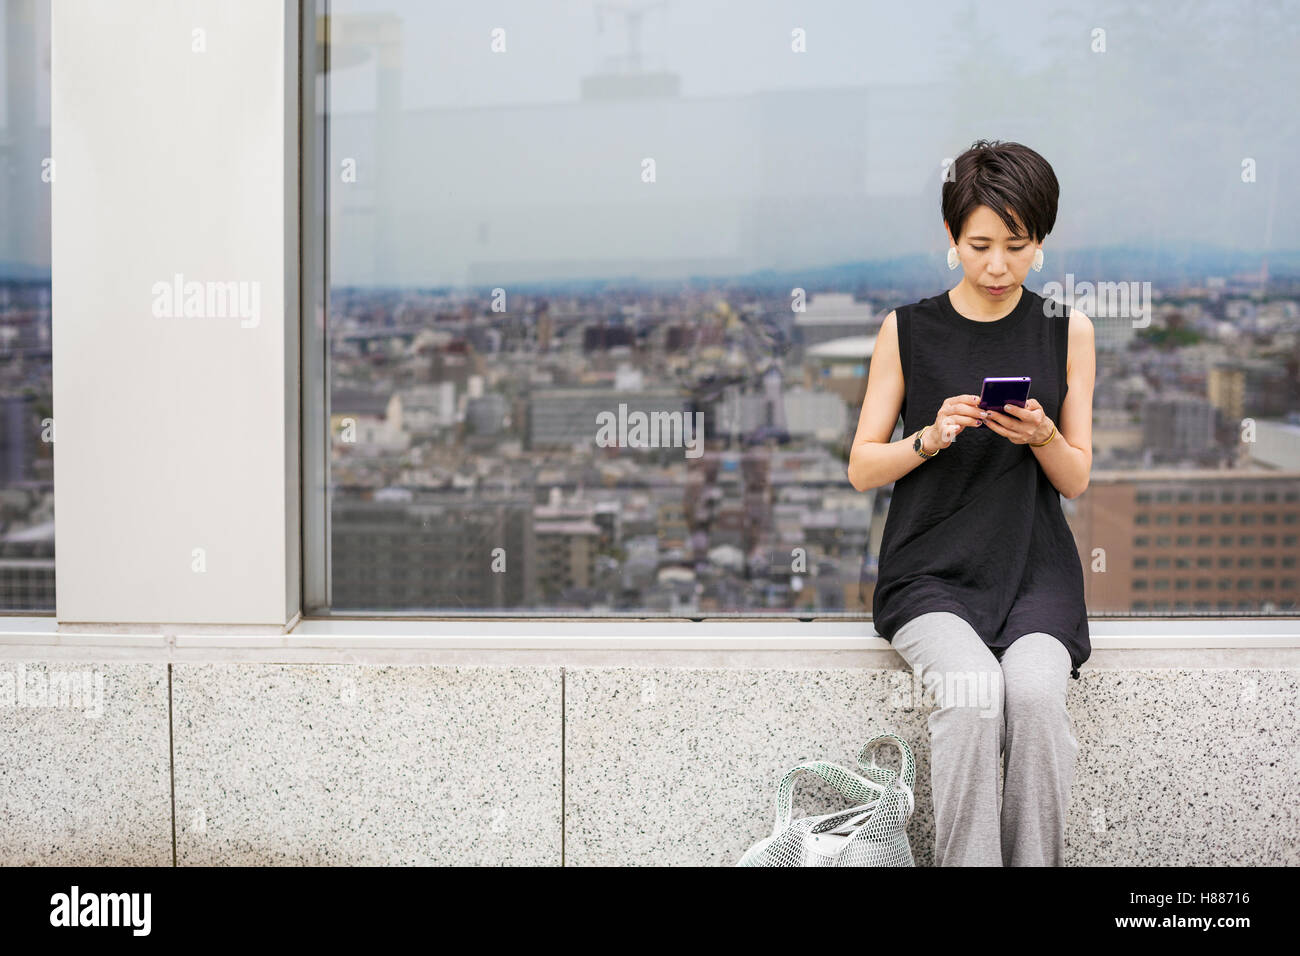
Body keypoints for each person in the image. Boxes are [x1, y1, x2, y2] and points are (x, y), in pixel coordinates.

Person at [847, 139, 1096, 866]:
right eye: (980, 244)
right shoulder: (907, 331)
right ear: (950, 240)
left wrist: (1045, 433)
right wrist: (928, 438)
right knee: (973, 693)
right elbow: (864, 466)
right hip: (930, 575)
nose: (996, 266)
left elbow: (1076, 478)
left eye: (1016, 246)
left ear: (1041, 243)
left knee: (1040, 701)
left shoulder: (1067, 331)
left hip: (1035, 572)